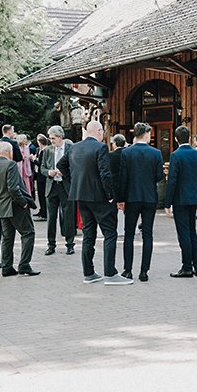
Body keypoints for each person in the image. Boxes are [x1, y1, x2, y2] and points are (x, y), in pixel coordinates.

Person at [57, 120, 130, 285]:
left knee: (88, 234)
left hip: (81, 196)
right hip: (100, 197)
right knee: (110, 233)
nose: (103, 134)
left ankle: (88, 273)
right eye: (102, 131)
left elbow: (61, 165)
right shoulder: (100, 147)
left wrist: (73, 182)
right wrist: (111, 195)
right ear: (98, 131)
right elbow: (105, 173)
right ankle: (110, 274)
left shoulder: (74, 147)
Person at [0, 141, 39, 277]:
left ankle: (7, 266)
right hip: (16, 206)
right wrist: (23, 203)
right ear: (10, 152)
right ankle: (24, 265)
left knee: (7, 238)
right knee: (28, 233)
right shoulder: (11, 164)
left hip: (2, 207)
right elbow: (13, 188)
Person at [119, 122, 165, 281]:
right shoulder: (156, 153)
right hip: (150, 197)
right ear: (145, 134)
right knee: (148, 234)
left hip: (131, 197)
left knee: (129, 234)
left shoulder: (126, 153)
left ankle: (127, 270)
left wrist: (121, 199)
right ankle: (144, 271)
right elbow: (160, 176)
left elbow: (122, 179)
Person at [165, 125, 197, 278]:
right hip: (194, 197)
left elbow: (172, 180)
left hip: (180, 200)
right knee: (192, 232)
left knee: (183, 234)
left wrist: (167, 203)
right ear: (189, 138)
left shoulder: (176, 155)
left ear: (176, 139)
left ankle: (187, 267)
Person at [41, 125, 76, 255]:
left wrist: (65, 173)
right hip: (52, 186)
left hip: (66, 186)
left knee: (68, 217)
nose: (51, 141)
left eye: (53, 138)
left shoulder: (70, 149)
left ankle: (70, 244)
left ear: (60, 137)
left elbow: (76, 167)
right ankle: (51, 245)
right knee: (51, 218)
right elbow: (42, 168)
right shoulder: (47, 150)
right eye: (50, 138)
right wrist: (49, 172)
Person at [33, 134, 50, 221]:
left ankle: (44, 213)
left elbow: (41, 164)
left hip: (42, 176)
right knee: (40, 194)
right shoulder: (38, 150)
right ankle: (42, 210)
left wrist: (34, 160)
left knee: (43, 195)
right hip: (38, 174)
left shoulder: (45, 151)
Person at [109, 133, 127, 202]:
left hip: (114, 185)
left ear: (114, 144)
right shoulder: (129, 154)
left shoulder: (110, 155)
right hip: (127, 186)